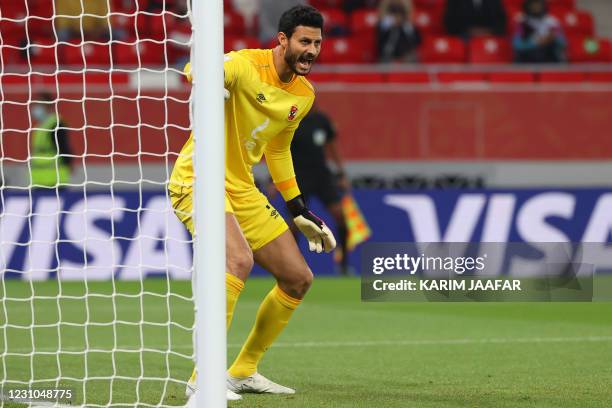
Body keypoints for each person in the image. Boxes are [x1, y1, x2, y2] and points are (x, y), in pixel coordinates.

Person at [168, 5, 334, 402]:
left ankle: (242, 370)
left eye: (317, 43)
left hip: (241, 189)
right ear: (282, 40)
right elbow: (196, 72)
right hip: (198, 179)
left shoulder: (304, 95)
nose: (312, 50)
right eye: (304, 41)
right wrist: (207, 77)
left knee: (298, 278)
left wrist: (298, 210)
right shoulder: (245, 65)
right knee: (236, 261)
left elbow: (278, 150)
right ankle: (201, 378)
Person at [287, 104, 351, 274]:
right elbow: (279, 151)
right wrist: (275, 180)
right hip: (298, 176)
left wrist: (341, 173)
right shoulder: (292, 120)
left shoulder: (322, 120)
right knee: (295, 224)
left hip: (322, 175)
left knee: (341, 216)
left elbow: (332, 147)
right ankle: (292, 265)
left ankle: (343, 264)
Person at [29, 93, 73, 189]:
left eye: (39, 104)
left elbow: (64, 148)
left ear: (48, 105)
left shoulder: (55, 124)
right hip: (39, 179)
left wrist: (69, 164)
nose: (36, 108)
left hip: (55, 179)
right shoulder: (39, 126)